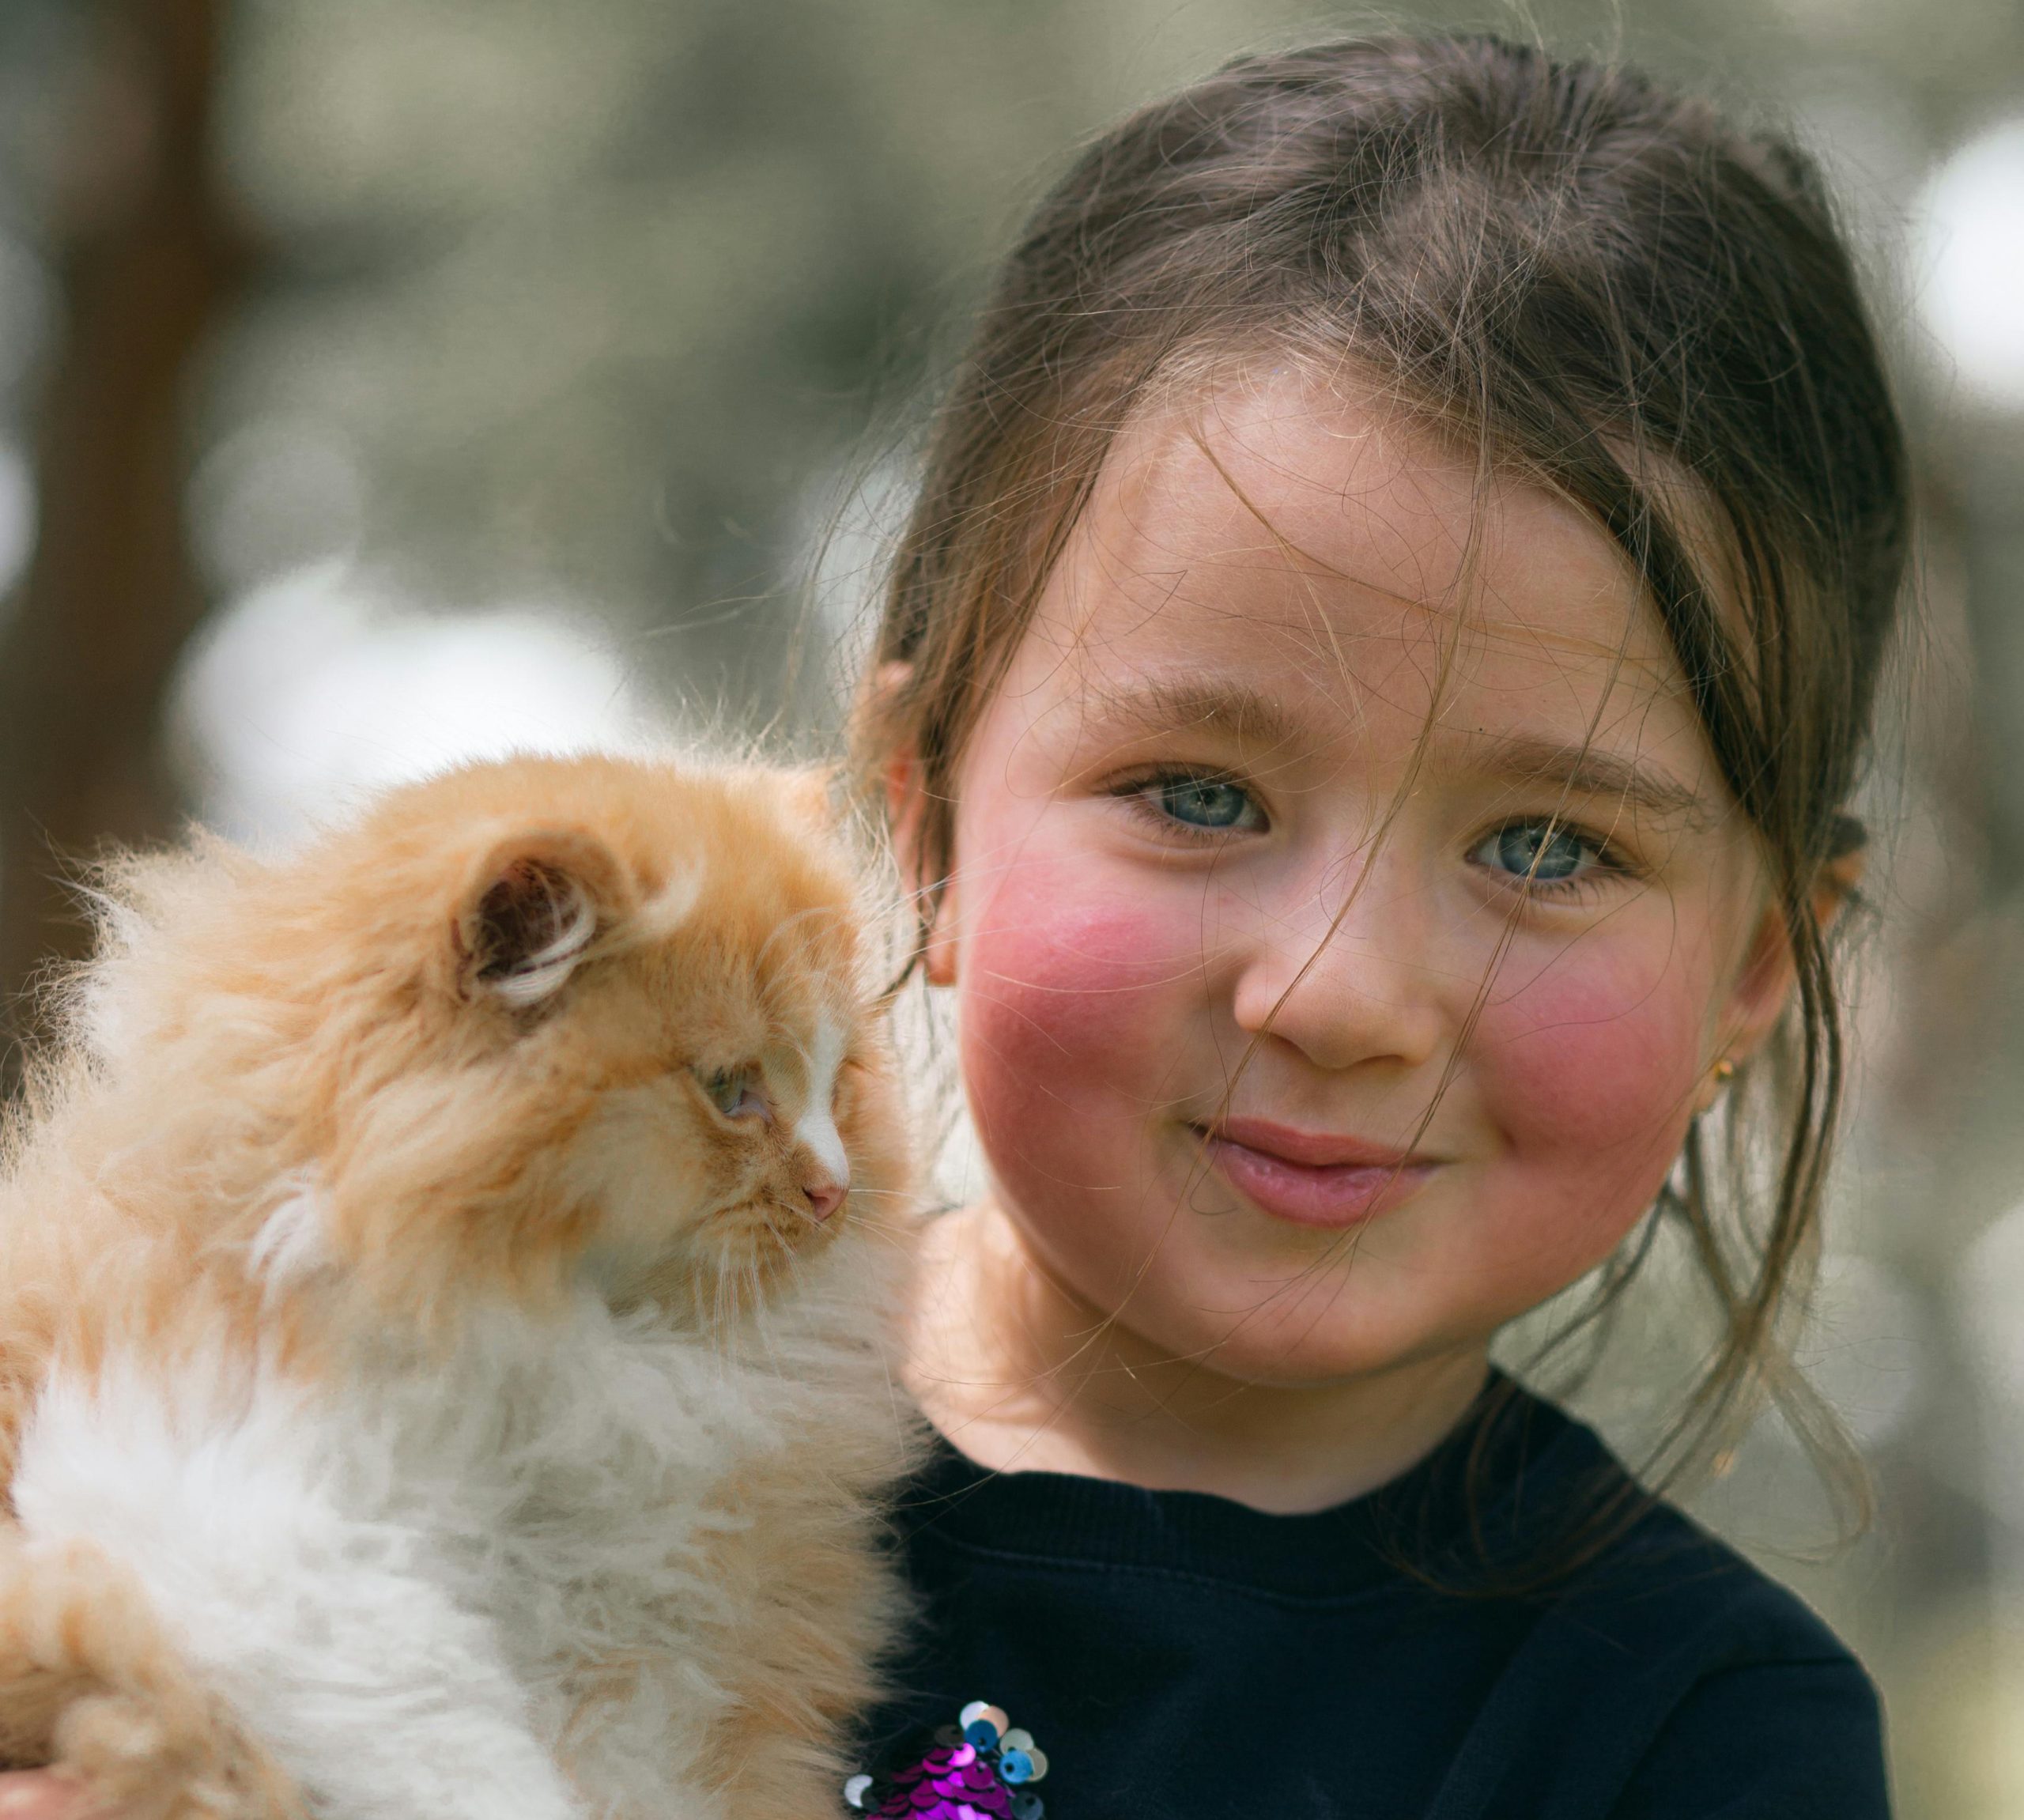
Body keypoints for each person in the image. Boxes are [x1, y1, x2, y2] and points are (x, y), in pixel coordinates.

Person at [0, 31, 1907, 1820]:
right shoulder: (441, 1394)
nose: (1336, 994)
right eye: (1198, 794)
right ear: (915, 820)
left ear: (1758, 962)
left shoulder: (1698, 1734)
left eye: (1548, 845)